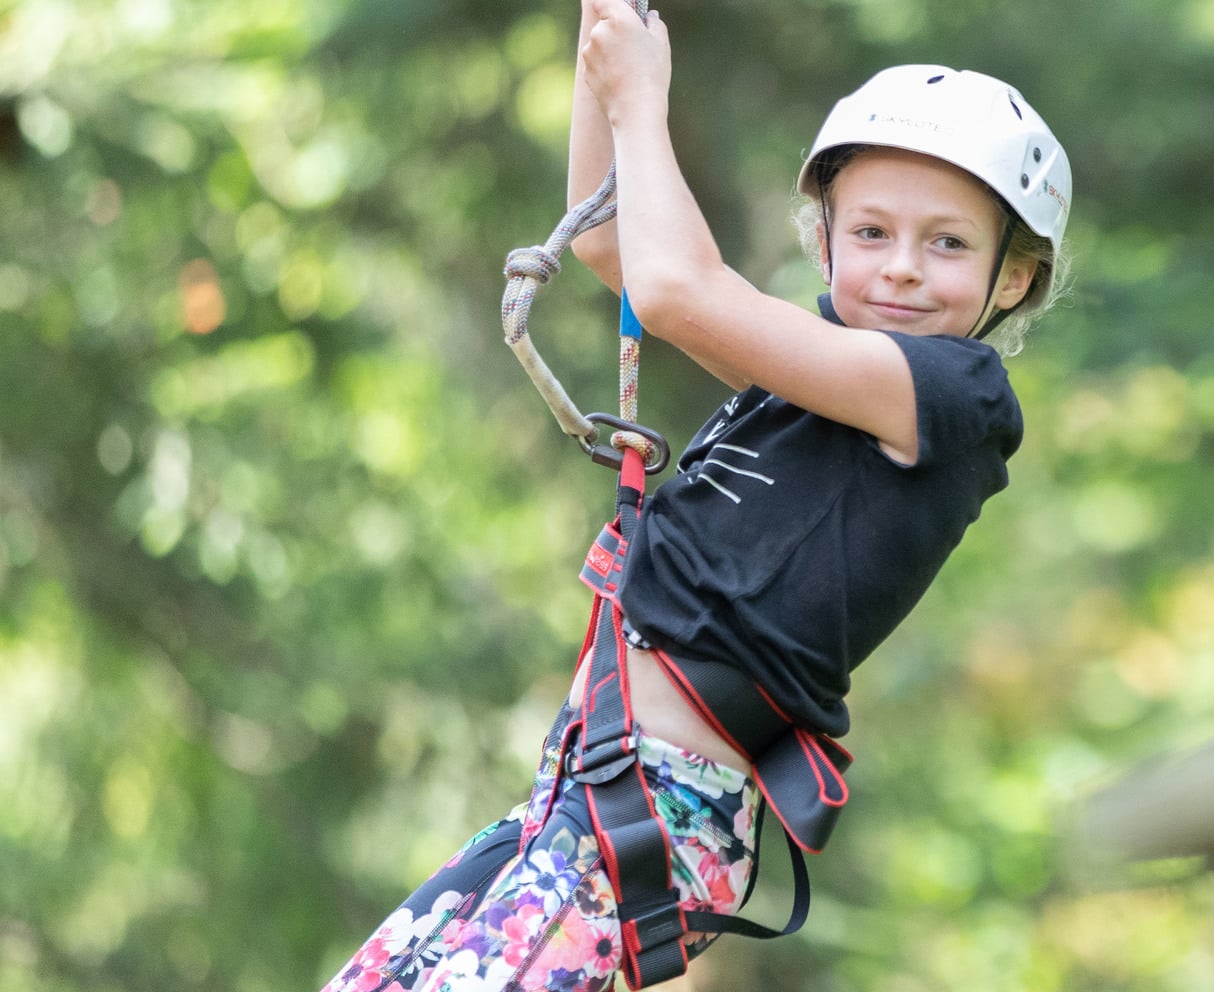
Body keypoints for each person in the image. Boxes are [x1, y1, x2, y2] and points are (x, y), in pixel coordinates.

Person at [319, 0, 1072, 985]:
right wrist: (607, 57)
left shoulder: (954, 394)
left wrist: (643, 97)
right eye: (873, 230)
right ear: (826, 239)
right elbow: (614, 247)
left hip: (665, 804)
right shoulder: (819, 363)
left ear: (1013, 276)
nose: (899, 266)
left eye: (947, 244)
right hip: (588, 781)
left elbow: (677, 294)